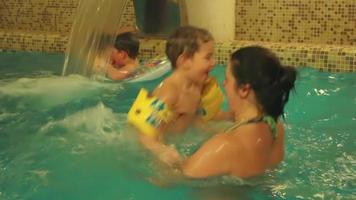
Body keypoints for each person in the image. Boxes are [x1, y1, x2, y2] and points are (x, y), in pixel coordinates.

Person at [164, 46, 297, 178]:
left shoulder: (223, 147)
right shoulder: (276, 129)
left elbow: (170, 180)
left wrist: (156, 145)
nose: (223, 84)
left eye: (227, 80)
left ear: (244, 89)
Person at [127, 26, 219, 165]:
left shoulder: (196, 85)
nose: (214, 63)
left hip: (177, 141)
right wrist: (161, 151)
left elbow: (194, 117)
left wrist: (216, 132)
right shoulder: (168, 93)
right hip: (151, 146)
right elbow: (143, 134)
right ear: (184, 61)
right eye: (208, 57)